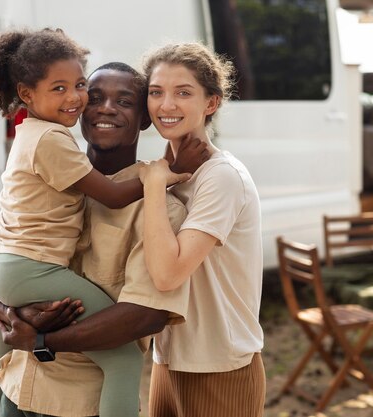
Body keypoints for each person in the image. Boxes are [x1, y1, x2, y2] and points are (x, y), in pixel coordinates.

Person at [0, 61, 208, 416]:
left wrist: (42, 340)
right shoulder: (50, 174)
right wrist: (10, 314)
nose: (106, 108)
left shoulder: (158, 209)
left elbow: (146, 316)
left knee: (122, 361)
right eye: (94, 97)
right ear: (80, 108)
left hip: (80, 405)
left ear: (144, 118)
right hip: (17, 389)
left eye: (124, 101)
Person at [138, 42, 266, 417]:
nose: (167, 105)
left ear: (211, 103)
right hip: (170, 360)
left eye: (183, 92)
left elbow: (167, 274)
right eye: (156, 92)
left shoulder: (221, 177)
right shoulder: (167, 173)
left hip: (220, 368)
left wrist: (153, 182)